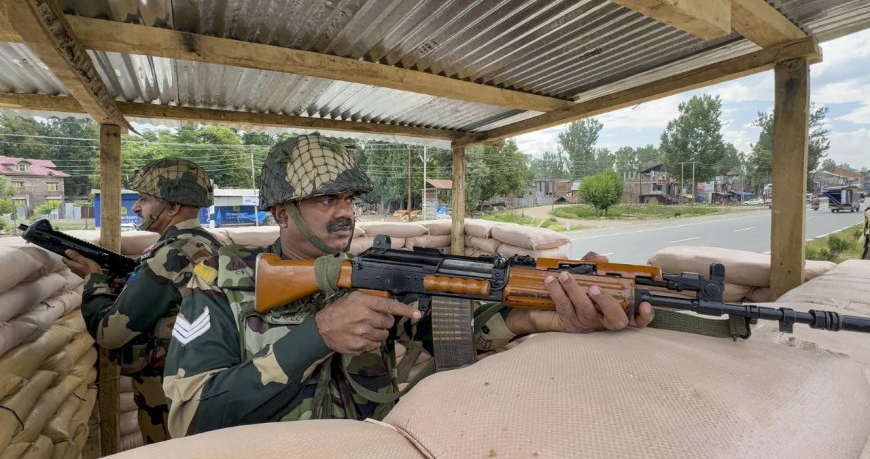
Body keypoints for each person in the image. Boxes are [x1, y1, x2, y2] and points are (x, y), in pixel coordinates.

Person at [163, 133, 654, 437]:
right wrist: (317, 335)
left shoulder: (370, 271)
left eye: (349, 199)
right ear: (281, 214)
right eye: (326, 200)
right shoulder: (222, 281)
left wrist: (533, 316)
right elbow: (189, 419)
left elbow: (450, 333)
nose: (345, 212)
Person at [64, 158, 223, 444]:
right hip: (200, 388)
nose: (136, 207)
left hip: (167, 397)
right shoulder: (208, 243)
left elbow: (110, 333)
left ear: (172, 207)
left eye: (144, 199)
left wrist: (93, 280)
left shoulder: (171, 254)